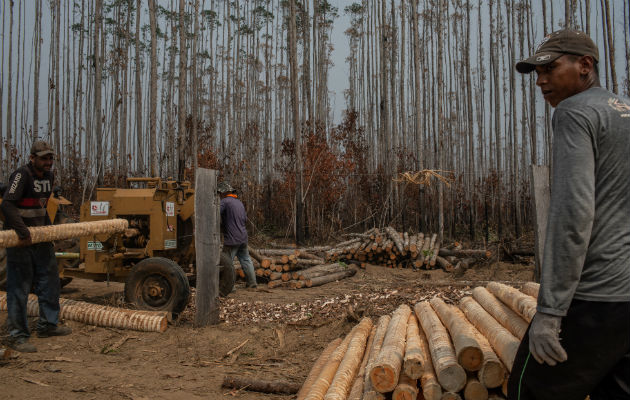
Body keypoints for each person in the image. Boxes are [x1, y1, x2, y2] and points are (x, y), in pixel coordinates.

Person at [508, 29, 630, 399]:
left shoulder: (575, 113)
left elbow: (572, 214)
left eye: (549, 69)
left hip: (595, 297)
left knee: (527, 391)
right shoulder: (623, 113)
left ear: (585, 66)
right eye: (536, 73)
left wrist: (550, 310)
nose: (541, 80)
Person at [1, 141, 72, 353]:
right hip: (21, 240)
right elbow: (7, 204)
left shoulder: (49, 177)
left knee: (50, 282)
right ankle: (17, 335)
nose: (48, 162)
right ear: (32, 158)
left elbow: (42, 207)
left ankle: (48, 325)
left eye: (50, 158)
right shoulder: (22, 175)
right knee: (19, 288)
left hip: (41, 239)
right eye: (43, 158)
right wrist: (23, 232)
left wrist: (49, 231)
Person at [217, 181, 257, 289]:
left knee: (226, 262)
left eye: (220, 193)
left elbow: (215, 214)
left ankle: (229, 286)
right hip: (243, 237)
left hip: (231, 238)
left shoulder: (224, 202)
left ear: (224, 192)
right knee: (246, 259)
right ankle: (252, 283)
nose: (219, 195)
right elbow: (244, 219)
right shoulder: (239, 203)